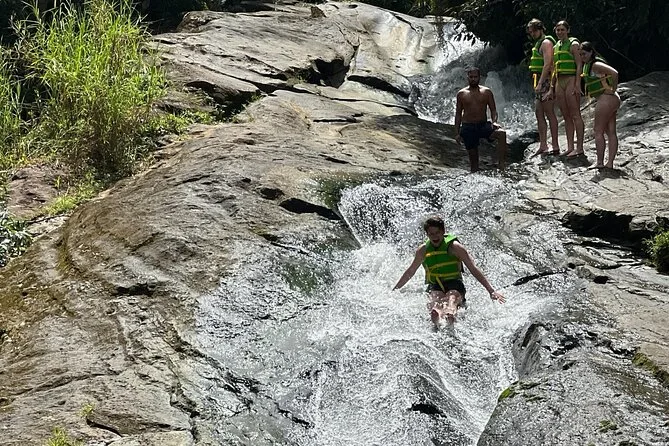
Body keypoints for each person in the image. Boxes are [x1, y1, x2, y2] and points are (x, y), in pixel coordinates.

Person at [393, 216, 505, 327]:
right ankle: (436, 316)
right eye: (431, 234)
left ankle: (450, 314)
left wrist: (491, 291)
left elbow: (473, 268)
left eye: (437, 233)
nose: (434, 237)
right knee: (435, 300)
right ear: (427, 234)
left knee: (452, 298)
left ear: (443, 231)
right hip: (435, 284)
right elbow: (410, 271)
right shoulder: (423, 250)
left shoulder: (455, 247)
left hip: (455, 283)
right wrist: (395, 290)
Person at [454, 67, 508, 173]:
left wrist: (494, 122)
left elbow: (493, 110)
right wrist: (457, 133)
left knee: (501, 134)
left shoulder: (486, 92)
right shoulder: (461, 94)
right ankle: (475, 173)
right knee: (474, 166)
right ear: (467, 77)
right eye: (471, 77)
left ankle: (501, 166)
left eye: (475, 77)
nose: (473, 79)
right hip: (468, 127)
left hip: (483, 125)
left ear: (479, 77)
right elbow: (458, 114)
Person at [580, 41, 621, 169]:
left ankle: (599, 162)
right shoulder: (588, 65)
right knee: (611, 131)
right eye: (580, 54)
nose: (582, 56)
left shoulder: (595, 65)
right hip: (611, 100)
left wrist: (613, 89)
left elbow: (615, 73)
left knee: (598, 131)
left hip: (607, 99)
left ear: (591, 52)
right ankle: (609, 164)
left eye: (584, 54)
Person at [527, 18, 560, 156]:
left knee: (549, 112)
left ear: (540, 29)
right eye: (530, 32)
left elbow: (548, 64)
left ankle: (555, 145)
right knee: (539, 113)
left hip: (545, 80)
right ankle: (543, 145)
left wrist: (541, 83)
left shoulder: (546, 43)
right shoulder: (538, 43)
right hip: (539, 80)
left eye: (534, 31)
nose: (532, 34)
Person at [553, 20, 585, 158]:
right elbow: (554, 68)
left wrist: (578, 83)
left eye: (562, 30)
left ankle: (579, 148)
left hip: (571, 79)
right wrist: (551, 87)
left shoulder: (574, 44)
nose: (560, 32)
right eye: (558, 30)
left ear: (568, 30)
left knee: (575, 114)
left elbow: (579, 64)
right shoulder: (556, 46)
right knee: (566, 116)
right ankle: (570, 146)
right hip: (560, 81)